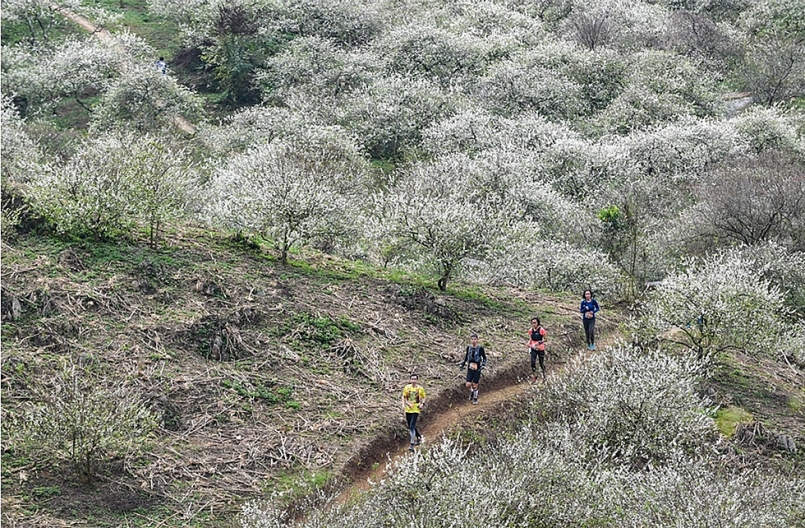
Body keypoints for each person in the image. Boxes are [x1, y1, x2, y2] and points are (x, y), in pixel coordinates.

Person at [402, 373, 426, 452]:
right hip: (408, 409)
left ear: (417, 380)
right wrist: (404, 404)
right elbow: (404, 397)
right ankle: (419, 437)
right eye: (412, 379)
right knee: (410, 425)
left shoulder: (420, 388)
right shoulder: (407, 388)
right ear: (410, 380)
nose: (413, 381)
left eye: (415, 379)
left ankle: (412, 444)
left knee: (412, 426)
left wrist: (422, 404)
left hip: (416, 409)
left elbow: (423, 397)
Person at [460, 333, 486, 404]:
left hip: (477, 369)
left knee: (475, 385)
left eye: (475, 339)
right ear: (470, 340)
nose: (473, 341)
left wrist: (483, 364)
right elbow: (466, 357)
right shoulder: (469, 348)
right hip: (470, 368)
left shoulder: (480, 349)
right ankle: (471, 392)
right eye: (472, 339)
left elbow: (484, 358)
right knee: (468, 384)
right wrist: (462, 364)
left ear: (477, 340)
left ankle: (475, 398)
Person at [527, 317, 547, 382]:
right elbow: (531, 338)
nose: (533, 324)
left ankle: (544, 376)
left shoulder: (541, 330)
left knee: (541, 363)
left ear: (538, 323)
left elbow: (545, 339)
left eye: (535, 323)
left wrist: (539, 342)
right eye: (532, 323)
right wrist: (528, 343)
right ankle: (535, 375)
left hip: (540, 348)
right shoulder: (530, 330)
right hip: (533, 348)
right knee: (532, 363)